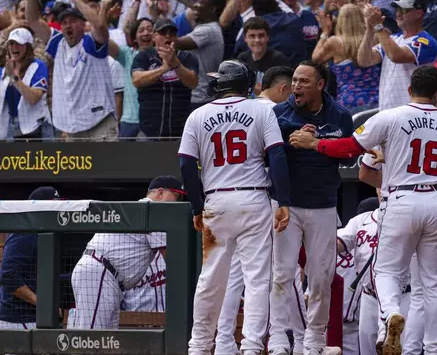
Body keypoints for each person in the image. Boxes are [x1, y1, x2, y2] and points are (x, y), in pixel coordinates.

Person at [289, 65, 437, 355]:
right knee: (435, 283)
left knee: (386, 271)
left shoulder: (390, 116)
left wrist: (315, 143)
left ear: (409, 90)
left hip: (401, 197)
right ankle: (434, 349)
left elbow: (350, 148)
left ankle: (391, 314)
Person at [178, 60, 290, 355]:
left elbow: (186, 166)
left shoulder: (198, 115)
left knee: (211, 279)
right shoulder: (263, 109)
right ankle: (252, 347)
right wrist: (284, 201)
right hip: (254, 198)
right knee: (256, 280)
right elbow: (277, 158)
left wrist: (196, 206)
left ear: (222, 83)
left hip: (216, 201)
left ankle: (200, 346)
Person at [268, 61, 353, 355]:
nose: (296, 87)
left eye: (304, 81)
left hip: (323, 206)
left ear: (320, 85)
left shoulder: (340, 115)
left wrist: (315, 143)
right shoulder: (279, 113)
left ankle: (315, 339)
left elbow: (348, 154)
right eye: (294, 80)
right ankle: (278, 338)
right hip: (286, 206)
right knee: (282, 273)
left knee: (320, 276)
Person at [69, 176, 185, 329]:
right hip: (99, 273)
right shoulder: (152, 209)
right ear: (160, 193)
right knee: (90, 338)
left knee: (105, 341)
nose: (177, 203)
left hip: (106, 277)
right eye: (175, 196)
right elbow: (171, 257)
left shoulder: (141, 208)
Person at [26, 0, 118, 141]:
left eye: (72, 20)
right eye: (64, 22)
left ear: (83, 24)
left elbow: (99, 24)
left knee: (107, 168)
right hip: (72, 128)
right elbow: (32, 20)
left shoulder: (92, 42)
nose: (67, 25)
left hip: (100, 125)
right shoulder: (57, 42)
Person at [336, 196, 411, 355]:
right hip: (369, 296)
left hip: (402, 296)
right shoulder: (360, 220)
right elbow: (339, 244)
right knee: (367, 350)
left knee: (402, 349)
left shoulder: (409, 220)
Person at [357, 0, 437, 111]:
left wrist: (378, 26)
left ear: (419, 13)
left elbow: (396, 56)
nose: (398, 14)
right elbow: (364, 60)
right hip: (386, 112)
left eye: (404, 10)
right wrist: (370, 29)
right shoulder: (394, 39)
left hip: (412, 115)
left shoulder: (427, 42)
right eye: (397, 9)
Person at [0, 186, 61, 330]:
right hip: (16, 321)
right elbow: (8, 276)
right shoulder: (24, 232)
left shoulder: (45, 232)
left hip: (32, 319)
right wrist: (44, 305)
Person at [131, 18, 199, 139]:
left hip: (180, 134)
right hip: (148, 133)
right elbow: (137, 80)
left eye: (172, 33)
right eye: (163, 33)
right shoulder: (144, 57)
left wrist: (176, 64)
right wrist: (164, 68)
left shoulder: (187, 58)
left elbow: (193, 82)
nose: (167, 36)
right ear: (154, 37)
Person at [312, 3, 381, 113]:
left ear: (340, 21)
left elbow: (316, 59)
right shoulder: (374, 38)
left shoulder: (334, 42)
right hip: (377, 102)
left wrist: (325, 32)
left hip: (348, 104)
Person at [172, 0, 226, 110]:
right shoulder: (209, 27)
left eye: (201, 2)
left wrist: (158, 18)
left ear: (212, 9)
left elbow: (173, 42)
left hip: (201, 99)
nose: (196, 5)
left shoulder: (208, 30)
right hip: (202, 97)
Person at [0, 27, 52, 141]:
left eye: (19, 44)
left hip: (37, 127)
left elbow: (33, 98)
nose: (14, 47)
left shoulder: (38, 66)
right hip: (11, 127)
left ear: (28, 47)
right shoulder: (4, 70)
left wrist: (14, 77)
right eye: (11, 43)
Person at [237, 17, 290, 93]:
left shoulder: (279, 60)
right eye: (252, 36)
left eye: (261, 35)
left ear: (267, 37)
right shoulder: (242, 59)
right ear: (245, 38)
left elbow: (284, 91)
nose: (257, 40)